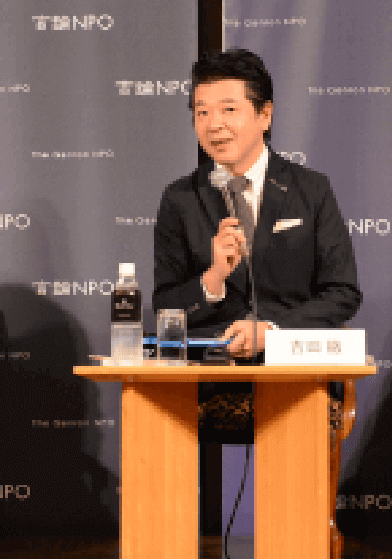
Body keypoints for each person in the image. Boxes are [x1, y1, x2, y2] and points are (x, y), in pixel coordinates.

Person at [153, 48, 361, 434]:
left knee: (299, 429)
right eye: (201, 112)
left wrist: (272, 332)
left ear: (265, 115)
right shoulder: (180, 198)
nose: (214, 125)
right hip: (206, 382)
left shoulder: (311, 190)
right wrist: (213, 279)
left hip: (295, 377)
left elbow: (342, 292)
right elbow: (166, 307)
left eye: (228, 110)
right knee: (155, 417)